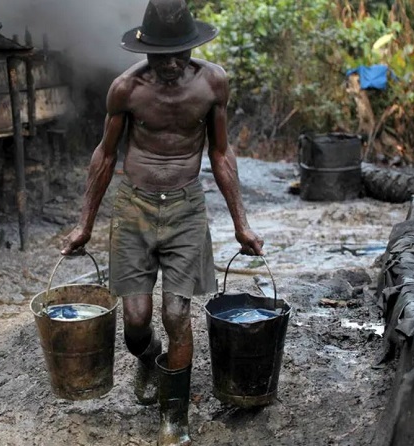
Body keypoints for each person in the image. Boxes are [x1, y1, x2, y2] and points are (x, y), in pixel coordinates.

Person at [60, 0, 264, 444]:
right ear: (144, 49)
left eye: (179, 53)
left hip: (187, 207)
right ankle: (148, 357)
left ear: (192, 47)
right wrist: (85, 225)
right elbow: (106, 155)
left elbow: (220, 152)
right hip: (134, 206)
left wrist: (240, 224)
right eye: (160, 55)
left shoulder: (213, 84)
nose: (171, 64)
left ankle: (175, 420)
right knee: (136, 323)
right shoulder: (126, 90)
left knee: (177, 313)